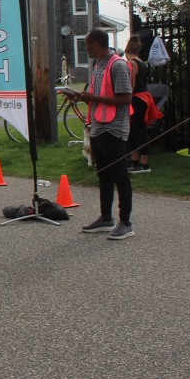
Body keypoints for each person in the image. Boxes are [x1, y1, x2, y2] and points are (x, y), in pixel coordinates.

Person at [76, 29, 134, 240]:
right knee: (104, 175)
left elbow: (126, 98)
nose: (86, 49)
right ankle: (106, 217)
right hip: (98, 127)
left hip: (114, 129)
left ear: (96, 44)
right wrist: (84, 98)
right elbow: (98, 95)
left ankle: (126, 222)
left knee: (120, 176)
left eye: (87, 45)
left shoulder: (117, 65)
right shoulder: (98, 64)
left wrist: (93, 98)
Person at [125, 37, 153, 174]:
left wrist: (126, 99)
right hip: (144, 97)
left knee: (136, 130)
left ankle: (141, 163)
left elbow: (131, 84)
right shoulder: (142, 63)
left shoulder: (131, 63)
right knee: (138, 129)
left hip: (135, 98)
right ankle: (137, 161)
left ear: (127, 51)